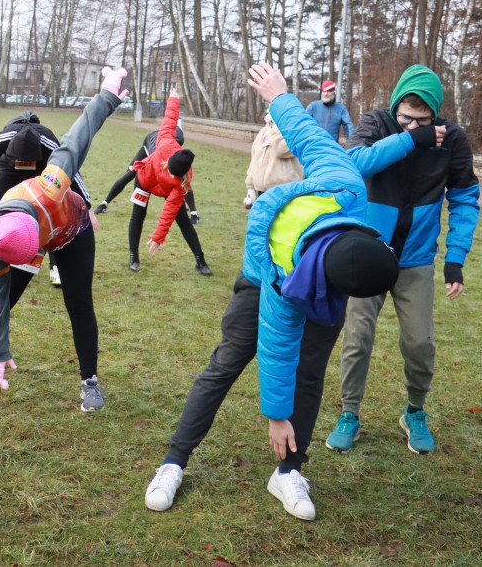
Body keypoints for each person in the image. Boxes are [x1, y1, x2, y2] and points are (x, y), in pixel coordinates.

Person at [144, 62, 400, 521]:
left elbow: (307, 133)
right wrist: (275, 416)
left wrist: (280, 95)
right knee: (228, 362)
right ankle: (173, 461)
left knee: (311, 372)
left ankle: (288, 471)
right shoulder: (286, 274)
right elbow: (276, 347)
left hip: (330, 272)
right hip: (264, 279)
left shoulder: (345, 184)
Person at [0, 66, 128, 413]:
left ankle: (90, 382)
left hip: (72, 231)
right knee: (4, 299)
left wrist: (108, 95)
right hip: (26, 235)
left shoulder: (51, 184)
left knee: (78, 302)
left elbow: (80, 134)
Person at [324, 64, 480, 455]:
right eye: (406, 118)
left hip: (416, 261)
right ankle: (350, 414)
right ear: (396, 109)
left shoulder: (453, 140)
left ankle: (414, 411)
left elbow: (464, 199)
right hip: (369, 255)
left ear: (436, 115)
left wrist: (455, 258)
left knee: (419, 343)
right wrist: (411, 140)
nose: (412, 125)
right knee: (357, 338)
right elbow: (354, 164)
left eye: (422, 120)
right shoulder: (377, 123)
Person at [0, 110, 90, 286]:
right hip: (9, 166)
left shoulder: (48, 140)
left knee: (51, 212)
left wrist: (86, 205)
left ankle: (55, 266)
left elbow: (68, 170)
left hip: (40, 168)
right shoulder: (5, 136)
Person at [92, 99, 209, 275]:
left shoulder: (181, 183)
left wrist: (157, 238)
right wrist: (174, 99)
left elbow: (168, 212)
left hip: (166, 189)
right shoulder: (164, 144)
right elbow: (169, 120)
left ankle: (200, 260)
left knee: (182, 220)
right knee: (138, 214)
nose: (169, 174)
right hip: (145, 179)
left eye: (173, 174)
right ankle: (134, 256)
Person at [243, 111, 304, 208]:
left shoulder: (293, 132)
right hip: (262, 191)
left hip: (283, 191)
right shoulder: (264, 131)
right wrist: (250, 187)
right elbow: (254, 158)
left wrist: (277, 126)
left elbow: (281, 150)